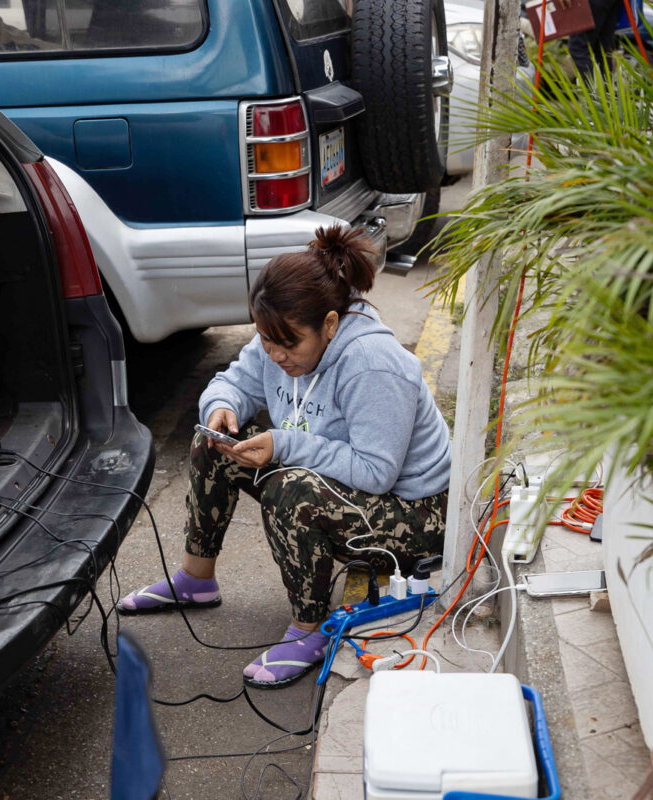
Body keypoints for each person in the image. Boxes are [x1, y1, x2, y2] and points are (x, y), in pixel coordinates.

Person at [117, 225, 452, 688]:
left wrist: (284, 444)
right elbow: (231, 382)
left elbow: (376, 472)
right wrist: (220, 409)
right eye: (265, 338)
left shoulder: (372, 361)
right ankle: (197, 579)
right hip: (355, 487)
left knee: (291, 490)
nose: (274, 354)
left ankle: (309, 629)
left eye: (287, 343)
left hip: (417, 517)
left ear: (330, 325)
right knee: (214, 442)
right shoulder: (277, 339)